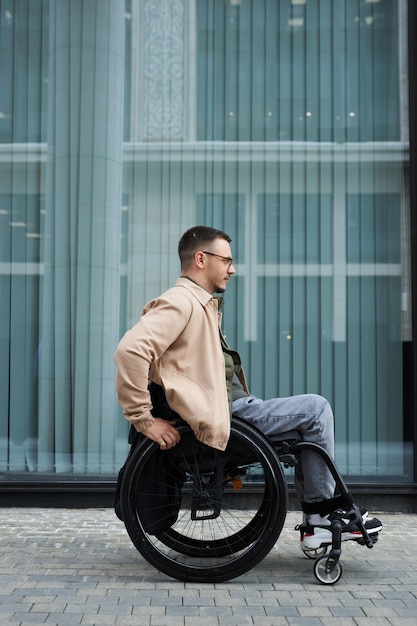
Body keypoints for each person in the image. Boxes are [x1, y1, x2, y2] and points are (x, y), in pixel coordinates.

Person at [114, 225, 382, 550]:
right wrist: (144, 420)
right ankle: (321, 519)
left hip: (232, 411)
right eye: (226, 259)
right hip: (227, 416)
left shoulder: (200, 304)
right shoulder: (181, 302)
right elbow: (130, 351)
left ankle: (319, 519)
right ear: (201, 259)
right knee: (316, 409)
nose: (232, 268)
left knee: (307, 423)